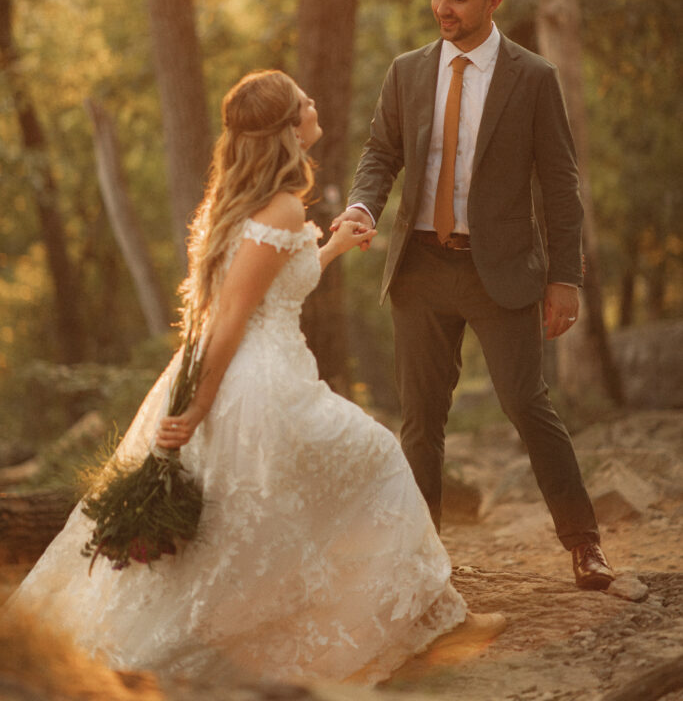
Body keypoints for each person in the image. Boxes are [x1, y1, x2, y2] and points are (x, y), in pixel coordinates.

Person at [7, 69, 505, 686]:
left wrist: (331, 248)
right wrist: (196, 409)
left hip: (253, 372)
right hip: (260, 384)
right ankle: (429, 621)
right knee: (376, 459)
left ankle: (413, 617)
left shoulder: (249, 204)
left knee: (242, 524)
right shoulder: (282, 204)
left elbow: (270, 286)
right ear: (287, 128)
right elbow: (233, 319)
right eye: (305, 101)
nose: (314, 102)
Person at [333, 0, 614, 591]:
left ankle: (583, 544)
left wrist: (564, 277)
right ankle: (422, 559)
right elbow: (380, 153)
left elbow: (558, 184)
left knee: (526, 405)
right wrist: (362, 208)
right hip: (420, 268)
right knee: (420, 420)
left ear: (493, 0)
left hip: (504, 274)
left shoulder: (533, 78)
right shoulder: (406, 71)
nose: (442, 7)